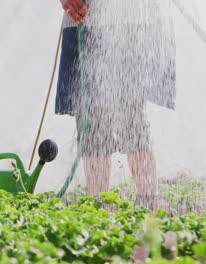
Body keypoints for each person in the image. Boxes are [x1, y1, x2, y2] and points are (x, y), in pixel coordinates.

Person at [56, 0, 176, 210]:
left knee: (132, 117)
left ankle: (147, 202)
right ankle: (99, 207)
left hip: (127, 22)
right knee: (91, 121)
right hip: (82, 21)